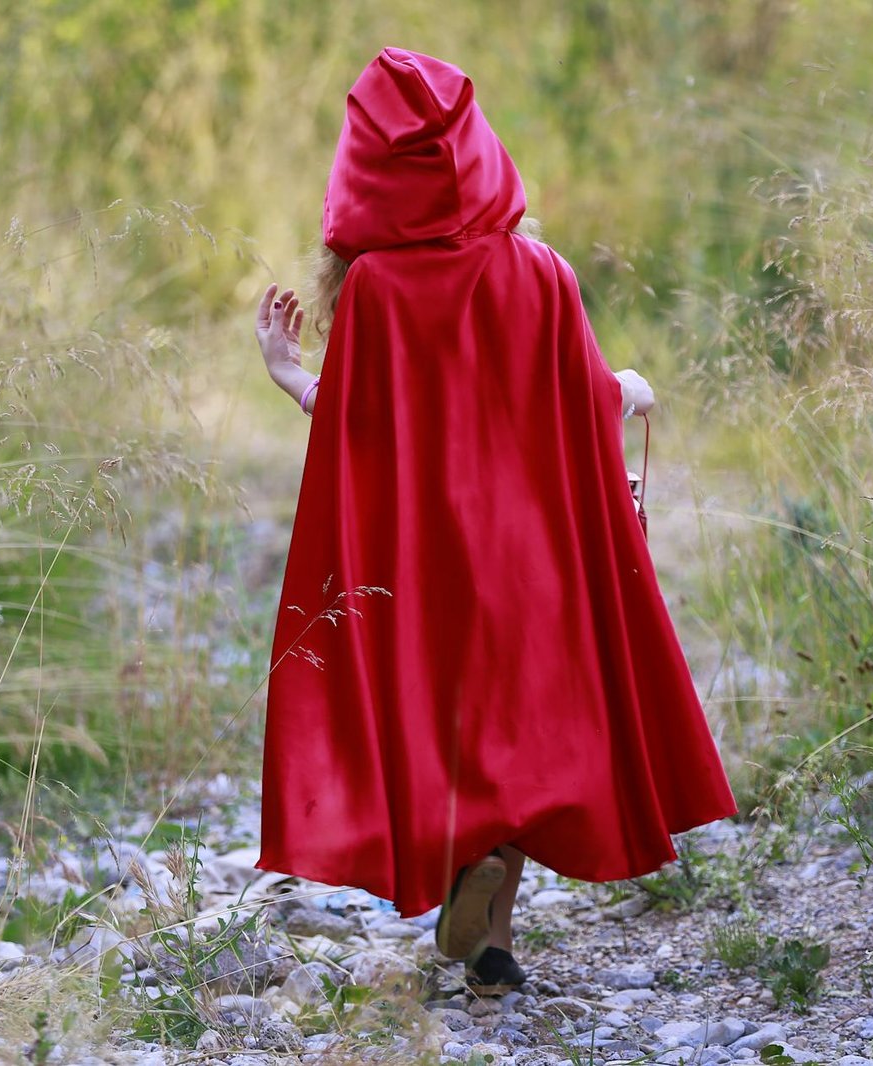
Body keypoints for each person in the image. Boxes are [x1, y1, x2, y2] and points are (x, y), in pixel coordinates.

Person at [251, 47, 737, 995]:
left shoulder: (380, 295)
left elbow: (356, 427)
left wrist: (285, 371)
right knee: (520, 726)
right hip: (533, 560)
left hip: (425, 564)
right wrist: (632, 388)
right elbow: (589, 399)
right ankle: (490, 943)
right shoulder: (543, 274)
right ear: (477, 153)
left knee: (453, 725)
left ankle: (477, 921)